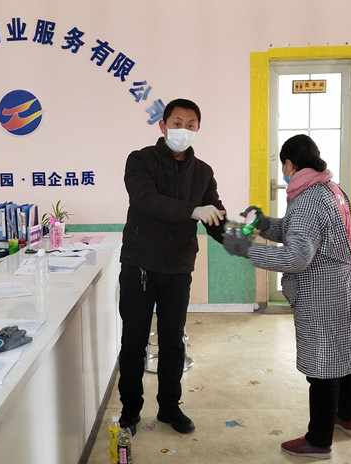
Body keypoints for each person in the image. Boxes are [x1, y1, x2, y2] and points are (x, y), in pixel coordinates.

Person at [222, 134, 351, 459]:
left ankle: (319, 440)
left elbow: (296, 256)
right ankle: (348, 416)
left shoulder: (306, 200)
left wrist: (249, 250)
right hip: (343, 288)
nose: (284, 173)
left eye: (283, 167)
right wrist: (263, 224)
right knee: (344, 351)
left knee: (323, 366)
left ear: (289, 164)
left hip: (323, 293)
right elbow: (297, 230)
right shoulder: (330, 189)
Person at [118, 98, 226, 435]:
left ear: (198, 129)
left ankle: (169, 407)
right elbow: (146, 200)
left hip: (178, 268)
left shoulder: (203, 172)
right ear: (163, 126)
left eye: (191, 125)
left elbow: (215, 215)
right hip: (139, 266)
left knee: (173, 342)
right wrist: (192, 210)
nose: (184, 130)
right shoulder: (140, 160)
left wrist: (244, 236)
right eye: (177, 123)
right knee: (133, 342)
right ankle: (130, 410)